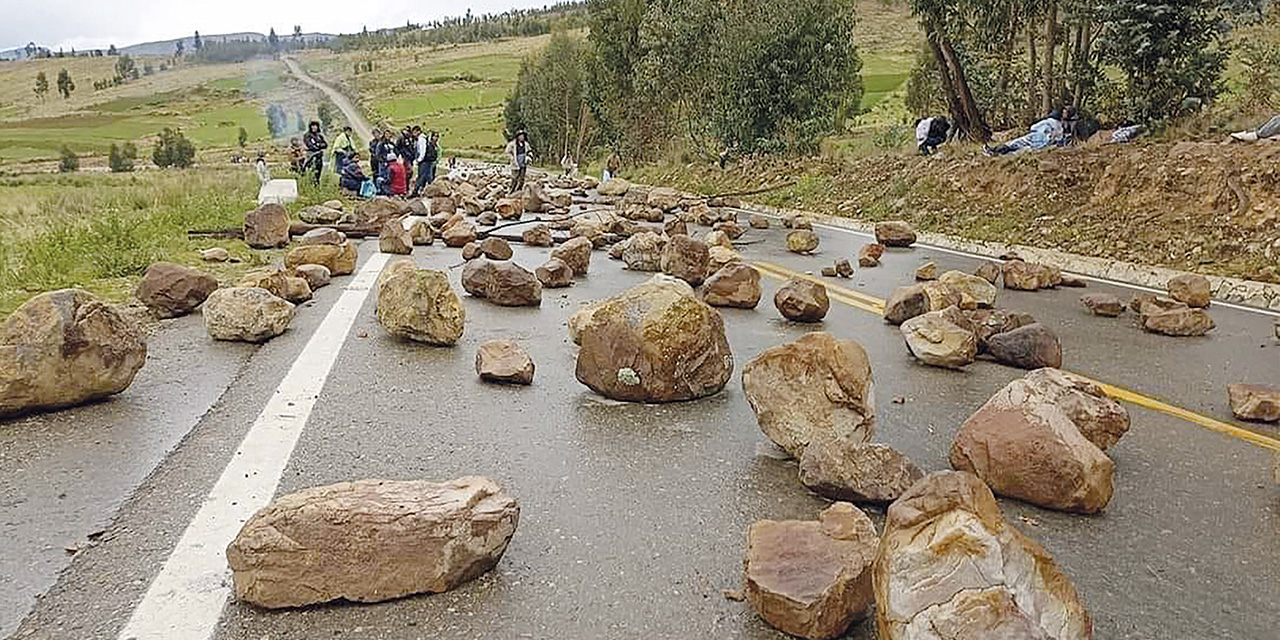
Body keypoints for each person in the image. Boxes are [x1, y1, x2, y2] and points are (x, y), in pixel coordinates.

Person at [984, 111, 1064, 156]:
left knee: (1013, 144)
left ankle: (994, 151)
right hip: (1043, 144)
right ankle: (997, 153)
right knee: (1021, 150)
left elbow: (1033, 127)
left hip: (1034, 137)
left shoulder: (1048, 121)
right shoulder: (1060, 126)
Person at [302, 121, 327, 185]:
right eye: (312, 126)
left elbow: (325, 144)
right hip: (311, 156)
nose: (314, 127)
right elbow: (310, 145)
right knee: (311, 171)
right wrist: (318, 145)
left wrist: (318, 145)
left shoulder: (319, 135)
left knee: (318, 173)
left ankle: (317, 185)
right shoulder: (307, 135)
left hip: (319, 156)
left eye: (315, 126)